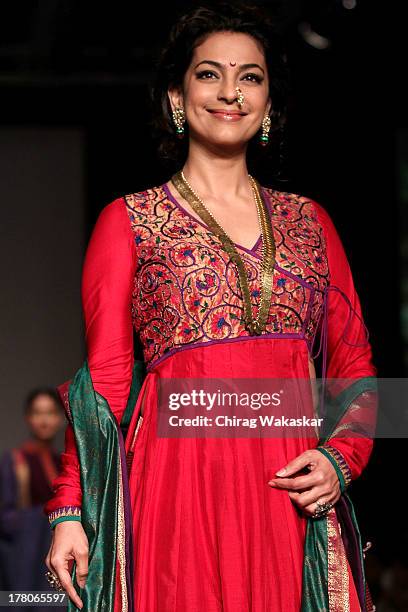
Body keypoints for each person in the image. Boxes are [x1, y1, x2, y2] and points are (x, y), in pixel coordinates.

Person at [43, 2, 378, 611]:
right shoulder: (129, 222)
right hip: (176, 489)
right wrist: (69, 509)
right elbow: (106, 385)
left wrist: (341, 459)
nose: (231, 92)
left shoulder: (312, 222)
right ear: (177, 96)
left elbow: (355, 368)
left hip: (287, 498)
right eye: (209, 74)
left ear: (270, 103)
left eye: (250, 76)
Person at [0, 388, 64, 610]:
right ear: (28, 417)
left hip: (55, 558)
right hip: (24, 561)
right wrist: (45, 518)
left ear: (60, 417)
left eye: (51, 412)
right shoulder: (15, 460)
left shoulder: (64, 464)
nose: (44, 420)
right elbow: (6, 519)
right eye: (38, 413)